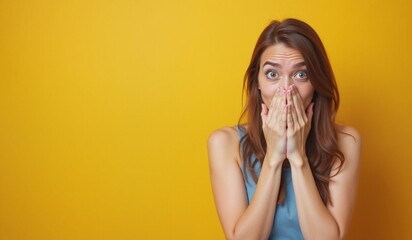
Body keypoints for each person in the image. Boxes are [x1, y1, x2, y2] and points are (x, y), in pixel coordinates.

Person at [207, 18, 361, 240]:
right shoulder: (224, 143)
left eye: (301, 74)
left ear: (317, 83)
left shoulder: (347, 141)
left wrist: (298, 157)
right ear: (257, 82)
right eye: (272, 74)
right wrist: (274, 155)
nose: (286, 89)